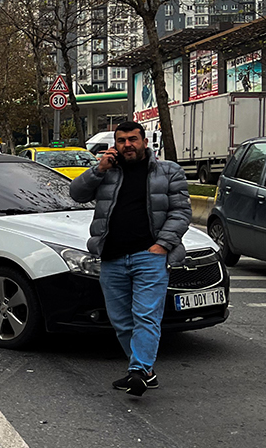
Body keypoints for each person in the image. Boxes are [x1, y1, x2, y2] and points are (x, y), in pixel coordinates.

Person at [69, 120, 190, 397]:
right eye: (122, 140)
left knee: (146, 316)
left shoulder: (168, 171)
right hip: (112, 257)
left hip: (150, 256)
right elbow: (76, 194)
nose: (127, 145)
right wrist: (98, 170)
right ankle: (145, 371)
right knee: (121, 320)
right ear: (115, 144)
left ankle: (137, 370)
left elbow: (181, 212)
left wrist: (162, 245)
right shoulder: (107, 171)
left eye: (133, 139)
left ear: (145, 142)